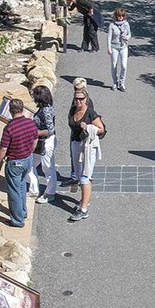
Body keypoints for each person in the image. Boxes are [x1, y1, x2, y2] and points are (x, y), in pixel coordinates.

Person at [0, 98, 39, 228]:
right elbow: (35, 139)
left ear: (9, 110)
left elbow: (3, 149)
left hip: (15, 162)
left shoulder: (9, 128)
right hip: (27, 159)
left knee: (14, 191)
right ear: (22, 109)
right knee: (22, 185)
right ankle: (23, 211)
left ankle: (17, 220)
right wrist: (29, 151)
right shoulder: (31, 123)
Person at [67, 88, 104, 222]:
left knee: (84, 177)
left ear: (86, 99)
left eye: (81, 99)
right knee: (78, 175)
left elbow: (101, 129)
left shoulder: (90, 113)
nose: (78, 101)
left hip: (87, 148)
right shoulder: (73, 110)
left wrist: (88, 127)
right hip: (75, 144)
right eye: (76, 99)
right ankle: (84, 200)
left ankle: (83, 210)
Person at [61, 78, 95, 190]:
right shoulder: (75, 100)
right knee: (74, 157)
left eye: (80, 89)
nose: (77, 91)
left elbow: (92, 120)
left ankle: (83, 179)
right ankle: (75, 176)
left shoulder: (88, 103)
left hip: (82, 137)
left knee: (83, 160)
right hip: (74, 134)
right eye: (76, 89)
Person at [27, 85, 57, 204]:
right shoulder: (46, 107)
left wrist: (34, 132)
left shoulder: (45, 110)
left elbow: (50, 130)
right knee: (31, 164)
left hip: (46, 142)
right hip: (41, 142)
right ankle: (33, 189)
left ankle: (50, 193)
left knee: (47, 167)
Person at [107, 7, 131, 92]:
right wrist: (109, 48)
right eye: (119, 16)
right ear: (116, 16)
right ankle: (115, 82)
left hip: (123, 47)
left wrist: (127, 37)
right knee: (114, 66)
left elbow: (129, 34)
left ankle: (122, 83)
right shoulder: (112, 25)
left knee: (124, 66)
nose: (120, 17)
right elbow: (109, 37)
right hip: (114, 47)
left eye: (122, 16)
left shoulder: (126, 24)